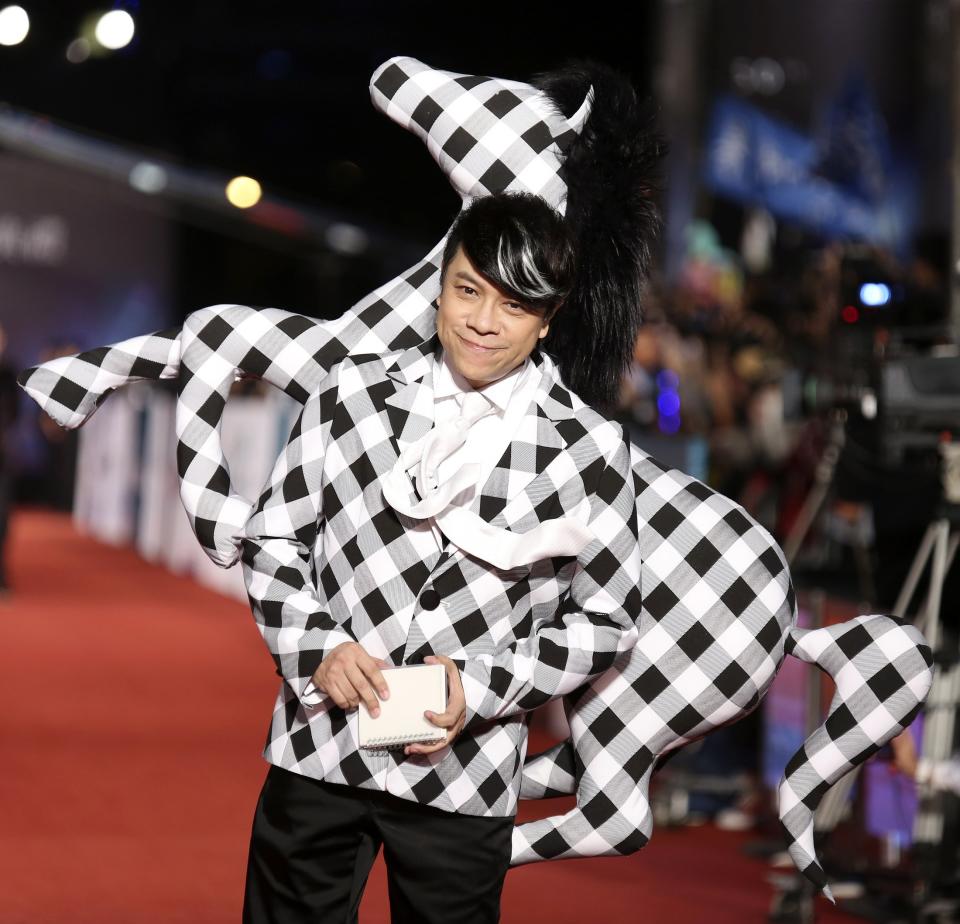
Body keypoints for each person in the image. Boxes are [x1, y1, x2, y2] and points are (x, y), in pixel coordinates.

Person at [239, 192, 642, 924]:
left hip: (466, 773)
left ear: (549, 318)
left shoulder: (590, 449)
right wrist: (316, 648)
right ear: (440, 287)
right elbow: (272, 538)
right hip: (320, 747)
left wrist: (484, 688)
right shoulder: (350, 395)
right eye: (468, 291)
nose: (483, 322)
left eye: (515, 306)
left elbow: (608, 619)